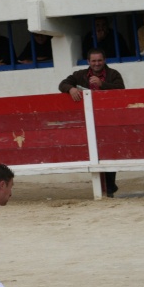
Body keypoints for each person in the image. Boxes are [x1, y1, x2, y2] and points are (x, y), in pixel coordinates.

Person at [58, 48, 125, 197]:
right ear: (88, 62)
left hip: (108, 120)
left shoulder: (113, 75)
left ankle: (109, 187)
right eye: (93, 61)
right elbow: (62, 84)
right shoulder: (79, 75)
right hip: (87, 120)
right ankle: (108, 187)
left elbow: (121, 90)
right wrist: (70, 89)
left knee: (107, 153)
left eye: (99, 60)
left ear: (104, 60)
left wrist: (102, 85)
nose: (96, 64)